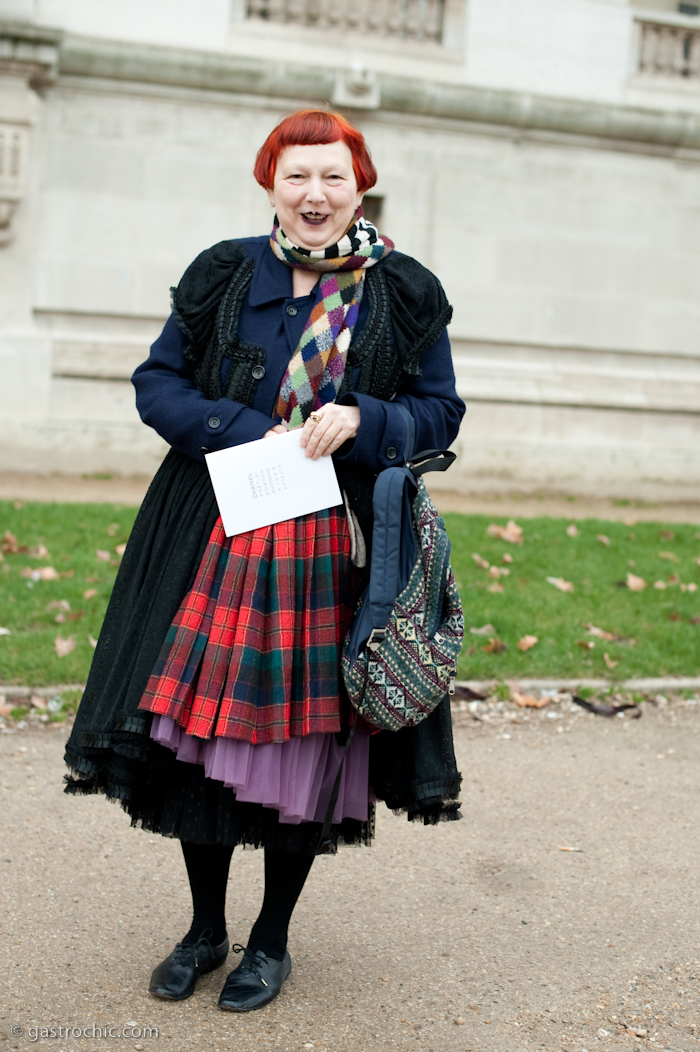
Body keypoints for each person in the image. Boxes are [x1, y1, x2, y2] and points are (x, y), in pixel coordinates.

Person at [64, 109, 466, 1013]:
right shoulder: (223, 272)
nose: (315, 194)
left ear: (359, 182)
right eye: (297, 177)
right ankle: (205, 929)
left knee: (302, 748)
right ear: (270, 183)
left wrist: (368, 419)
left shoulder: (404, 291)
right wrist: (251, 434)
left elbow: (441, 413)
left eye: (332, 176)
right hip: (212, 527)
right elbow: (157, 381)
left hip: (335, 548)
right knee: (193, 738)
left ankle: (270, 942)